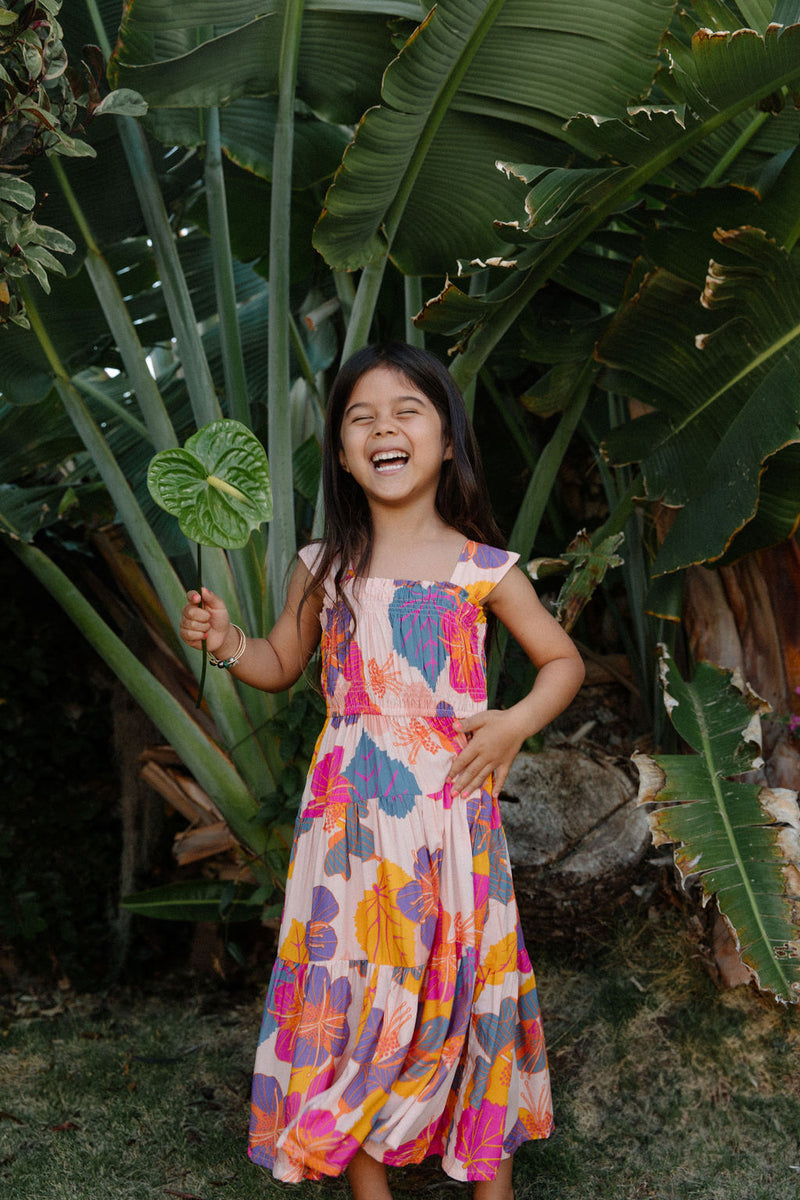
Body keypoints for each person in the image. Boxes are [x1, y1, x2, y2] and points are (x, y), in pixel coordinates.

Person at [179, 342, 585, 1199]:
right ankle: (368, 1188)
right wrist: (227, 643)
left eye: (408, 411)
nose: (383, 428)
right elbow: (279, 661)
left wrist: (512, 723)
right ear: (339, 450)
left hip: (449, 813)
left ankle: (491, 1182)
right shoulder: (323, 566)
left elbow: (562, 664)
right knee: (355, 984)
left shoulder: (483, 568)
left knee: (471, 981)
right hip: (349, 825)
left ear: (446, 443)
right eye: (361, 416)